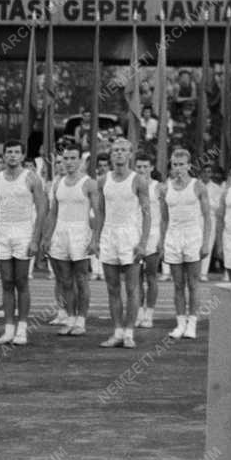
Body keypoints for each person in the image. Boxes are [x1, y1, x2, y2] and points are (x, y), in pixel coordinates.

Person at [0, 141, 47, 346]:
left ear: (22, 155)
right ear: (3, 156)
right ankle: (8, 329)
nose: (12, 156)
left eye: (16, 152)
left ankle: (22, 328)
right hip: (2, 234)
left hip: (23, 233)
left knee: (22, 281)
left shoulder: (31, 178)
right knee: (6, 282)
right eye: (9, 152)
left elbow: (42, 209)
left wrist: (36, 240)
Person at [95, 138, 152, 347]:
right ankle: (117, 331)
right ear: (111, 154)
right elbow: (100, 211)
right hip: (109, 235)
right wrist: (96, 239)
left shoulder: (138, 180)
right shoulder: (103, 180)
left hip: (130, 236)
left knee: (132, 288)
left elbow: (147, 213)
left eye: (123, 150)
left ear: (130, 154)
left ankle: (129, 332)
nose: (119, 153)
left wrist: (143, 242)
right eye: (116, 150)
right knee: (112, 288)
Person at [42, 142, 98, 337]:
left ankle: (81, 320)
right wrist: (47, 236)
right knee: (65, 280)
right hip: (61, 233)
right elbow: (52, 212)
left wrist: (95, 239)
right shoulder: (58, 183)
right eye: (65, 158)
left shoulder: (89, 183)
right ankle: (70, 318)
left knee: (81, 279)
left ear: (81, 160)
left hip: (80, 232)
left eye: (73, 158)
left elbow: (98, 213)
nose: (69, 162)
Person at [158, 148, 211, 339]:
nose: (178, 168)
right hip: (173, 237)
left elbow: (207, 217)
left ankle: (192, 324)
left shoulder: (198, 186)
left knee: (193, 284)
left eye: (181, 165)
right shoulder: (165, 188)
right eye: (175, 165)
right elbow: (164, 219)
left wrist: (206, 243)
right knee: (178, 285)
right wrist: (162, 242)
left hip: (192, 236)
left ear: (189, 166)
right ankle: (180, 323)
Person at [133, 153, 163, 324]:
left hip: (153, 233)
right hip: (134, 232)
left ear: (151, 168)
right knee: (135, 277)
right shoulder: (132, 184)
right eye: (139, 167)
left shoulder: (159, 187)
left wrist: (162, 239)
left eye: (145, 166)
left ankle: (149, 313)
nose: (142, 170)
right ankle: (137, 312)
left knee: (151, 275)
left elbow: (166, 215)